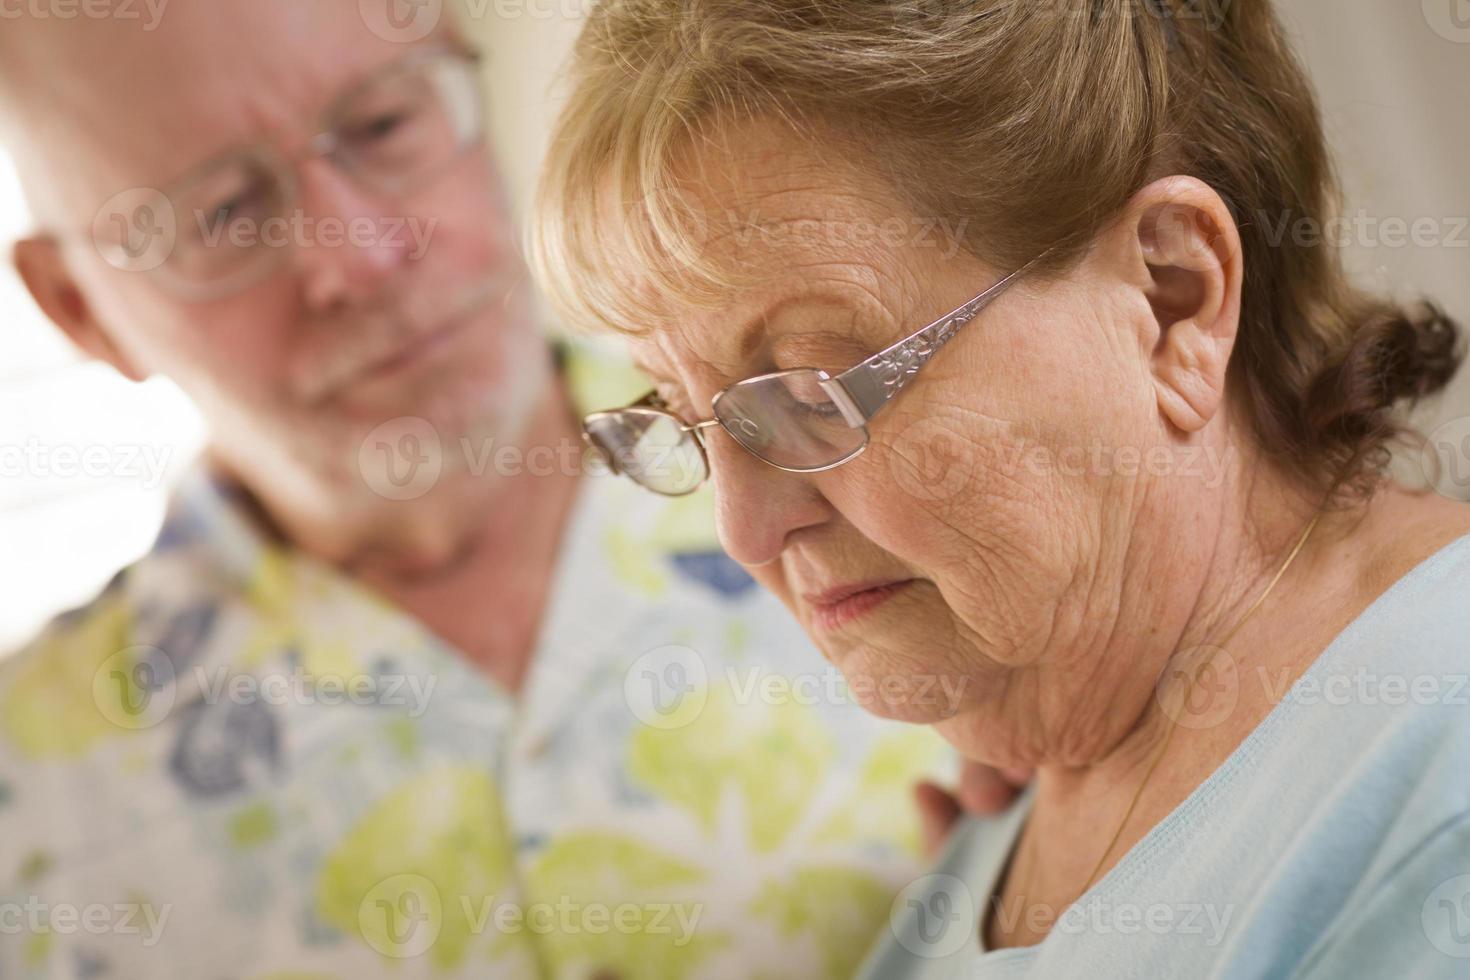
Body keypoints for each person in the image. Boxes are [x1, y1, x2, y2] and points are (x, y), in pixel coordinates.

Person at [0, 3, 1020, 977]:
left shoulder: (926, 488)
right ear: (77, 306)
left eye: (384, 122)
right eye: (221, 213)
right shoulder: (28, 811)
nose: (362, 256)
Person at [531, 0, 1470, 976]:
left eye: (811, 389)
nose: (745, 529)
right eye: (684, 413)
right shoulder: (996, 820)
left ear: (1171, 296)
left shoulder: (1439, 774)